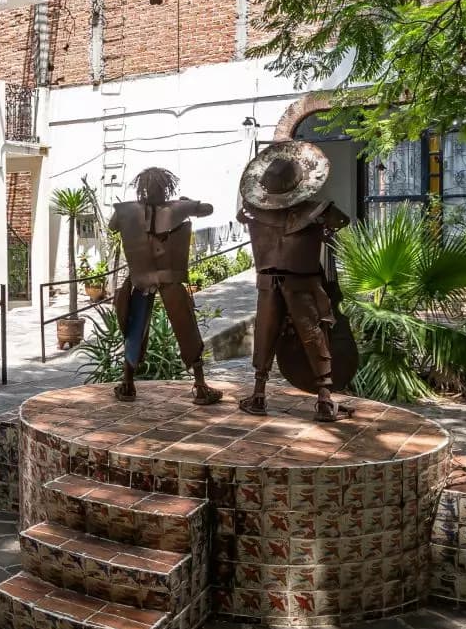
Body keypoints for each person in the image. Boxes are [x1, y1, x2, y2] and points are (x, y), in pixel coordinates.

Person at [238, 141, 349, 421]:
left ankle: (259, 394)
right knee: (314, 335)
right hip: (302, 284)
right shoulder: (318, 211)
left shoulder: (252, 213)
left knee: (265, 334)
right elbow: (341, 221)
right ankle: (324, 399)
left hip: (267, 284)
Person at [107, 168, 223, 405]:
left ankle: (128, 384)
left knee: (135, 328)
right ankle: (200, 386)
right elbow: (207, 209)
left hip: (140, 278)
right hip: (168, 278)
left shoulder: (127, 211)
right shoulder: (177, 208)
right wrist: (187, 203)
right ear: (166, 188)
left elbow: (112, 226)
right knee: (186, 328)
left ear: (142, 189)